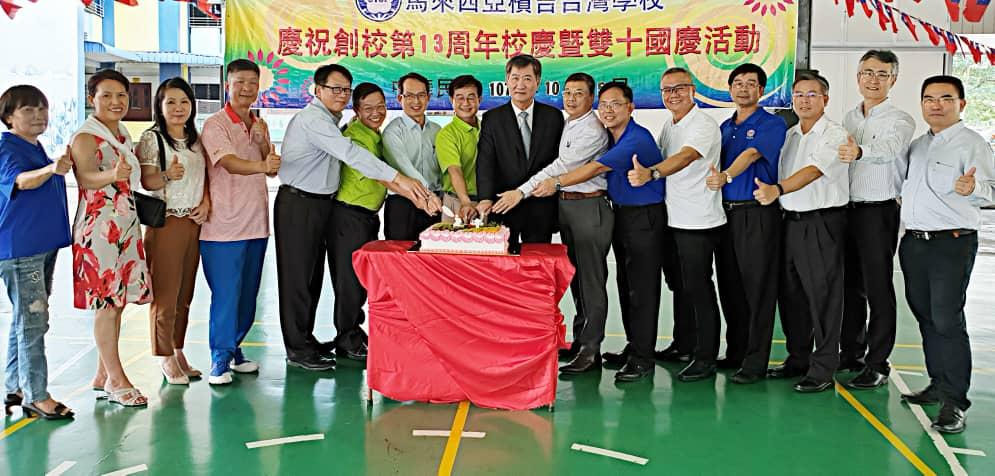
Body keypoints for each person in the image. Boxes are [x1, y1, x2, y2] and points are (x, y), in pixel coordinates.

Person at [277, 65, 436, 371]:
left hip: (323, 206)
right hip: (302, 204)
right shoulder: (318, 122)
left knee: (314, 279)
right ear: (318, 90)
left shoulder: (341, 124)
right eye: (335, 89)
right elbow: (356, 158)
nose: (340, 95)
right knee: (301, 278)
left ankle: (309, 340)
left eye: (344, 90)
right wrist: (408, 186)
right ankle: (300, 347)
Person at [535, 82, 664, 382]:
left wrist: (554, 184)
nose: (608, 110)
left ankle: (637, 357)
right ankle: (621, 346)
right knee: (621, 285)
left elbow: (592, 169)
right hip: (622, 213)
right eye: (604, 105)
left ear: (631, 107)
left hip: (642, 218)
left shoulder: (634, 139)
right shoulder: (611, 136)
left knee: (640, 289)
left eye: (615, 104)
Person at [492, 72, 611, 373]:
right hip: (568, 208)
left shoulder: (592, 129)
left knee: (591, 281)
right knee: (578, 280)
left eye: (579, 93)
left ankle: (591, 349)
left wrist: (521, 191)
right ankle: (581, 341)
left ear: (591, 97)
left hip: (588, 207)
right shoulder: (569, 121)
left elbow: (561, 167)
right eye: (568, 92)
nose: (571, 98)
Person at [898, 75, 994, 433]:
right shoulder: (918, 146)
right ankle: (937, 383)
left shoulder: (972, 144)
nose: (935, 105)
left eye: (945, 98)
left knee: (947, 320)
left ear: (962, 104)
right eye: (929, 98)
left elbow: (992, 189)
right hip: (914, 243)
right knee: (926, 317)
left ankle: (955, 402)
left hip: (951, 244)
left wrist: (975, 187)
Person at [628, 67, 724, 382]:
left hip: (697, 221)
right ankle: (683, 345)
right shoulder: (670, 125)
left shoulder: (703, 124)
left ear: (692, 89)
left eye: (679, 88)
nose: (673, 95)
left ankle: (706, 356)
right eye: (667, 90)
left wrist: (652, 174)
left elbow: (684, 158)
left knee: (699, 288)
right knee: (679, 286)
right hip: (672, 218)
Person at [755, 72, 849, 393]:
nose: (804, 100)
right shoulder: (791, 134)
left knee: (823, 297)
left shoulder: (834, 135)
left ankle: (823, 367)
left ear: (825, 99)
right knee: (792, 294)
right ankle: (798, 358)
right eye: (798, 95)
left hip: (822, 222)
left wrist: (776, 189)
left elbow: (813, 172)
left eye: (812, 94)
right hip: (790, 221)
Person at [70, 69, 153, 406]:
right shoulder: (86, 137)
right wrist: (112, 174)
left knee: (116, 303)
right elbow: (86, 178)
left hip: (124, 226)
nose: (116, 102)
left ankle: (103, 372)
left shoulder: (120, 134)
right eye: (107, 95)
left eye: (121, 95)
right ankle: (117, 381)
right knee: (107, 304)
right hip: (99, 230)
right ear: (93, 99)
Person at [199, 59, 281, 385]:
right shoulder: (215, 125)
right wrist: (263, 165)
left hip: (257, 223)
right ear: (227, 85)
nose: (247, 88)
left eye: (253, 82)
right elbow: (229, 163)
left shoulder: (258, 123)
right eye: (240, 82)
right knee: (226, 294)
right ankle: (218, 359)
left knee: (249, 295)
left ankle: (235, 351)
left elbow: (271, 166)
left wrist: (263, 146)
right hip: (223, 227)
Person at [837, 50, 916, 388]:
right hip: (846, 210)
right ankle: (850, 352)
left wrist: (861, 152)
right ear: (857, 77)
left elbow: (891, 149)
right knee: (849, 286)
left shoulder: (900, 120)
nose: (873, 79)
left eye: (881, 74)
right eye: (867, 72)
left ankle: (878, 362)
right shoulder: (849, 118)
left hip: (878, 211)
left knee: (878, 287)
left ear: (892, 80)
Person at [0, 85, 74, 419]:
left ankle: (15, 385)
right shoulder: (7, 148)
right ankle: (37, 395)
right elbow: (20, 181)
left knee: (25, 318)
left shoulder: (34, 146)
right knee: (33, 319)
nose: (38, 115)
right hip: (23, 250)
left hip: (42, 247)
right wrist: (52, 169)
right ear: (8, 117)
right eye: (28, 110)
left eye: (42, 108)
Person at [711, 63, 787, 384]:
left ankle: (756, 362)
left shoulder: (771, 124)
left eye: (750, 84)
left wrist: (727, 174)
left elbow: (753, 154)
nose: (743, 89)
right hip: (724, 215)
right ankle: (736, 351)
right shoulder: (724, 127)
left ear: (761, 90)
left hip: (756, 214)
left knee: (758, 290)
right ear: (730, 89)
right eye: (737, 83)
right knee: (730, 287)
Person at [136, 77, 210, 385]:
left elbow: (206, 177)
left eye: (184, 102)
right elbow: (147, 182)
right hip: (166, 223)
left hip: (193, 222)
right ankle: (164, 355)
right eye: (171, 102)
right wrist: (167, 175)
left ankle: (178, 349)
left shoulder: (195, 138)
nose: (178, 108)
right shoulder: (153, 138)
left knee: (185, 294)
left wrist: (206, 202)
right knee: (166, 295)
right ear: (160, 107)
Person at [330, 82, 391, 364]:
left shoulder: (375, 135)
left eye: (380, 106)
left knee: (361, 280)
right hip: (348, 216)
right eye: (368, 108)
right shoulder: (355, 136)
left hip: (366, 216)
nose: (376, 112)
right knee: (349, 281)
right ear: (356, 110)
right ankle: (347, 339)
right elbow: (379, 173)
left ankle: (354, 331)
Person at [476, 54, 565, 244]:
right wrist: (484, 198)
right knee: (504, 267)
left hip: (541, 205)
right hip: (503, 204)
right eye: (515, 78)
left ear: (537, 81)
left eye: (527, 78)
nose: (520, 85)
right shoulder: (492, 119)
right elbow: (485, 162)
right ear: (507, 80)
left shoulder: (553, 117)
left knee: (536, 265)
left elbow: (559, 160)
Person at [382, 72, 443, 240]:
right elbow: (405, 168)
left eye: (421, 95)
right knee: (401, 260)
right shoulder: (392, 132)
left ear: (429, 97)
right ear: (400, 98)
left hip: (435, 203)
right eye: (409, 95)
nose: (416, 101)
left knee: (432, 260)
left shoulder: (437, 130)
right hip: (403, 205)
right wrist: (428, 195)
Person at [435, 75, 482, 223]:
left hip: (485, 203)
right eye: (460, 98)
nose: (466, 103)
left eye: (471, 97)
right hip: (458, 202)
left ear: (479, 100)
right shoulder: (446, 134)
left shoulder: (488, 128)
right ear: (451, 100)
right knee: (454, 246)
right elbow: (454, 170)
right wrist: (466, 202)